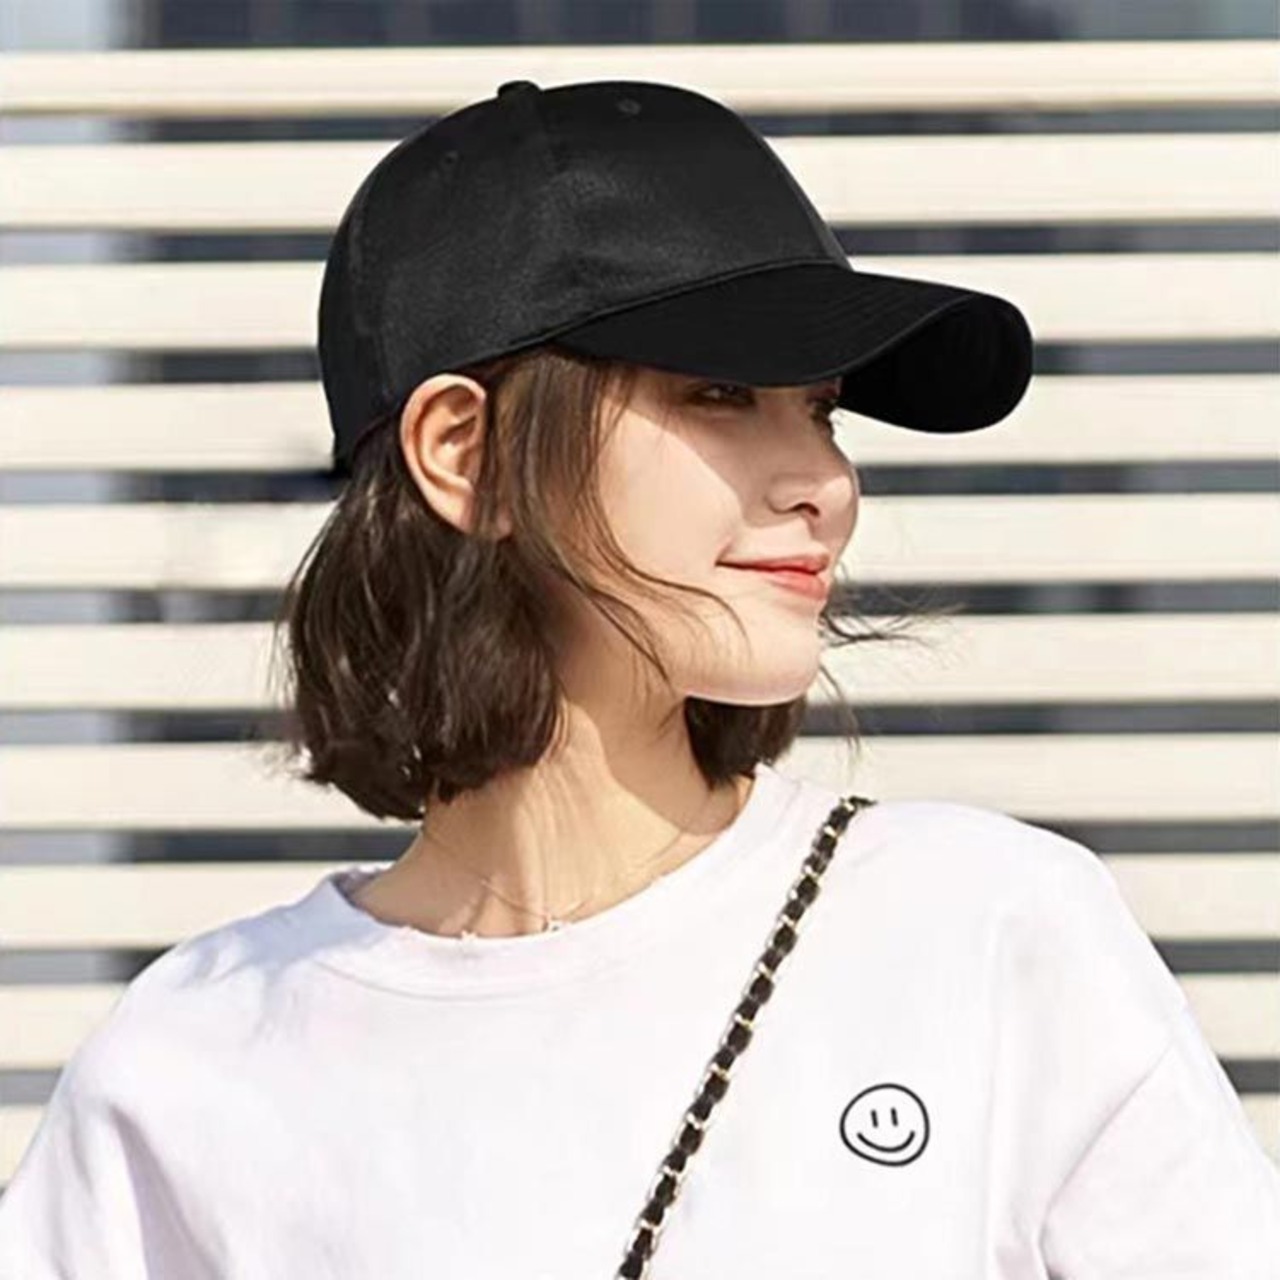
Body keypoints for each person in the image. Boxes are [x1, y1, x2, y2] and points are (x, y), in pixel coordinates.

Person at [0, 78, 1276, 1280]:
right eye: (720, 393)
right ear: (465, 452)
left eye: (820, 409)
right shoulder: (194, 1062)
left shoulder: (987, 930)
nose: (826, 483)